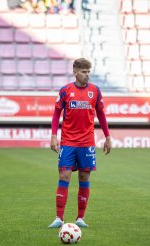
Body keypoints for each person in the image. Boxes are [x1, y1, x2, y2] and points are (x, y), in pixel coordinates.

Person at [48, 58, 111, 229]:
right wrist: (54, 136)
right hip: (68, 141)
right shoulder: (65, 90)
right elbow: (56, 113)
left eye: (89, 72)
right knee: (64, 176)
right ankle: (59, 218)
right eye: (84, 72)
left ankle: (80, 218)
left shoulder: (95, 91)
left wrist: (108, 136)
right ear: (75, 72)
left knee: (84, 177)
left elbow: (101, 114)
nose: (87, 75)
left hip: (87, 142)